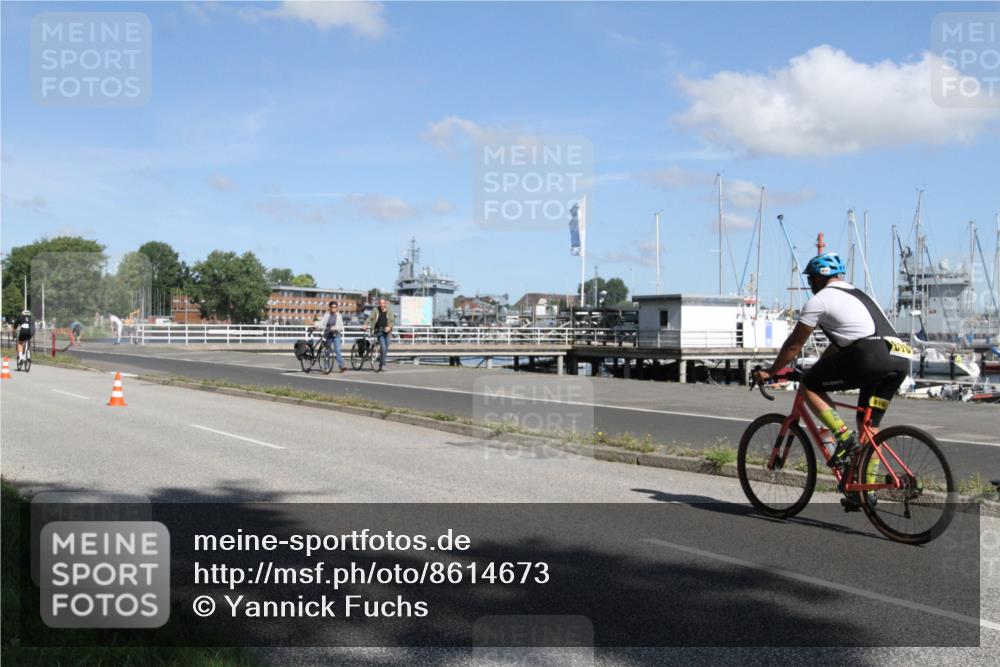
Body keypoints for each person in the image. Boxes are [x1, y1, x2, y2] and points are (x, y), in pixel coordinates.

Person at [755, 252, 911, 504]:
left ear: (818, 278)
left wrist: (771, 371)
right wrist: (818, 367)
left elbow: (794, 345)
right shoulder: (860, 294)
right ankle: (866, 490)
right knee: (869, 428)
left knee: (809, 384)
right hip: (899, 358)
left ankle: (843, 438)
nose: (809, 284)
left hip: (868, 356)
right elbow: (841, 345)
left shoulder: (820, 300)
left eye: (810, 279)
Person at [365, 297, 394, 372]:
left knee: (386, 348)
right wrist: (365, 324)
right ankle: (383, 365)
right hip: (378, 331)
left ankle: (381, 363)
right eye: (380, 303)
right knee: (383, 347)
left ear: (385, 304)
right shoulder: (376, 310)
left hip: (387, 332)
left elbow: (392, 321)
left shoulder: (389, 311)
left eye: (383, 303)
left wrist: (389, 327)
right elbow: (370, 317)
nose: (381, 305)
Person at [321, 301, 347, 373]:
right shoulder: (326, 315)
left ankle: (341, 366)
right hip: (328, 335)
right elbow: (322, 324)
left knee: (338, 350)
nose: (334, 308)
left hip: (336, 334)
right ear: (330, 307)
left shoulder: (339, 315)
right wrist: (327, 328)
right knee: (327, 352)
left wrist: (335, 328)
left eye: (335, 307)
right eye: (332, 307)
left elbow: (341, 326)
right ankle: (326, 367)